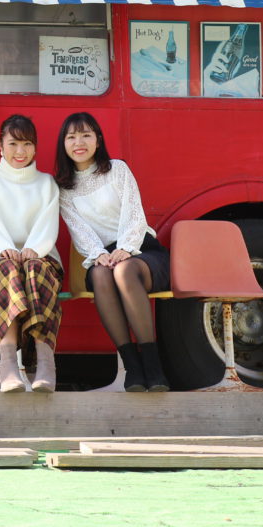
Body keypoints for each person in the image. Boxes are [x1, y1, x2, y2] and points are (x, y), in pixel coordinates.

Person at [55, 112, 170, 393]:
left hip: (141, 250)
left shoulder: (117, 169)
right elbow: (78, 229)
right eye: (71, 137)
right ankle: (132, 365)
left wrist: (125, 249)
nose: (78, 142)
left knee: (123, 269)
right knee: (103, 275)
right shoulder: (65, 189)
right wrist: (98, 253)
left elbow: (134, 213)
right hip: (102, 257)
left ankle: (153, 365)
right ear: (64, 144)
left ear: (98, 140)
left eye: (85, 135)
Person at [0, 114, 63, 393]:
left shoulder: (46, 183)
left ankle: (45, 364)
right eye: (13, 143)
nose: (20, 151)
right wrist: (4, 248)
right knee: (7, 269)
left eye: (27, 144)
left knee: (34, 269)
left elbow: (47, 224)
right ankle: (8, 365)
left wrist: (34, 250)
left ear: (36, 147)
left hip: (37, 258)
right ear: (0, 145)